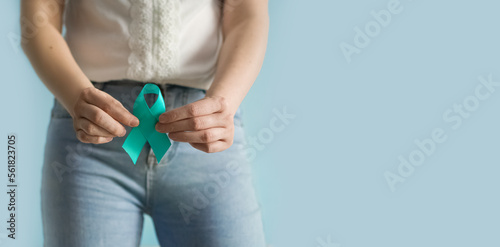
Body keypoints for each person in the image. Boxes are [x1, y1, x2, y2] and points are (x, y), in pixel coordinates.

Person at [20, 0, 269, 246]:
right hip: (89, 132)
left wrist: (225, 101)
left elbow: (247, 14)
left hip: (204, 132)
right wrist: (75, 98)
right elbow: (38, 19)